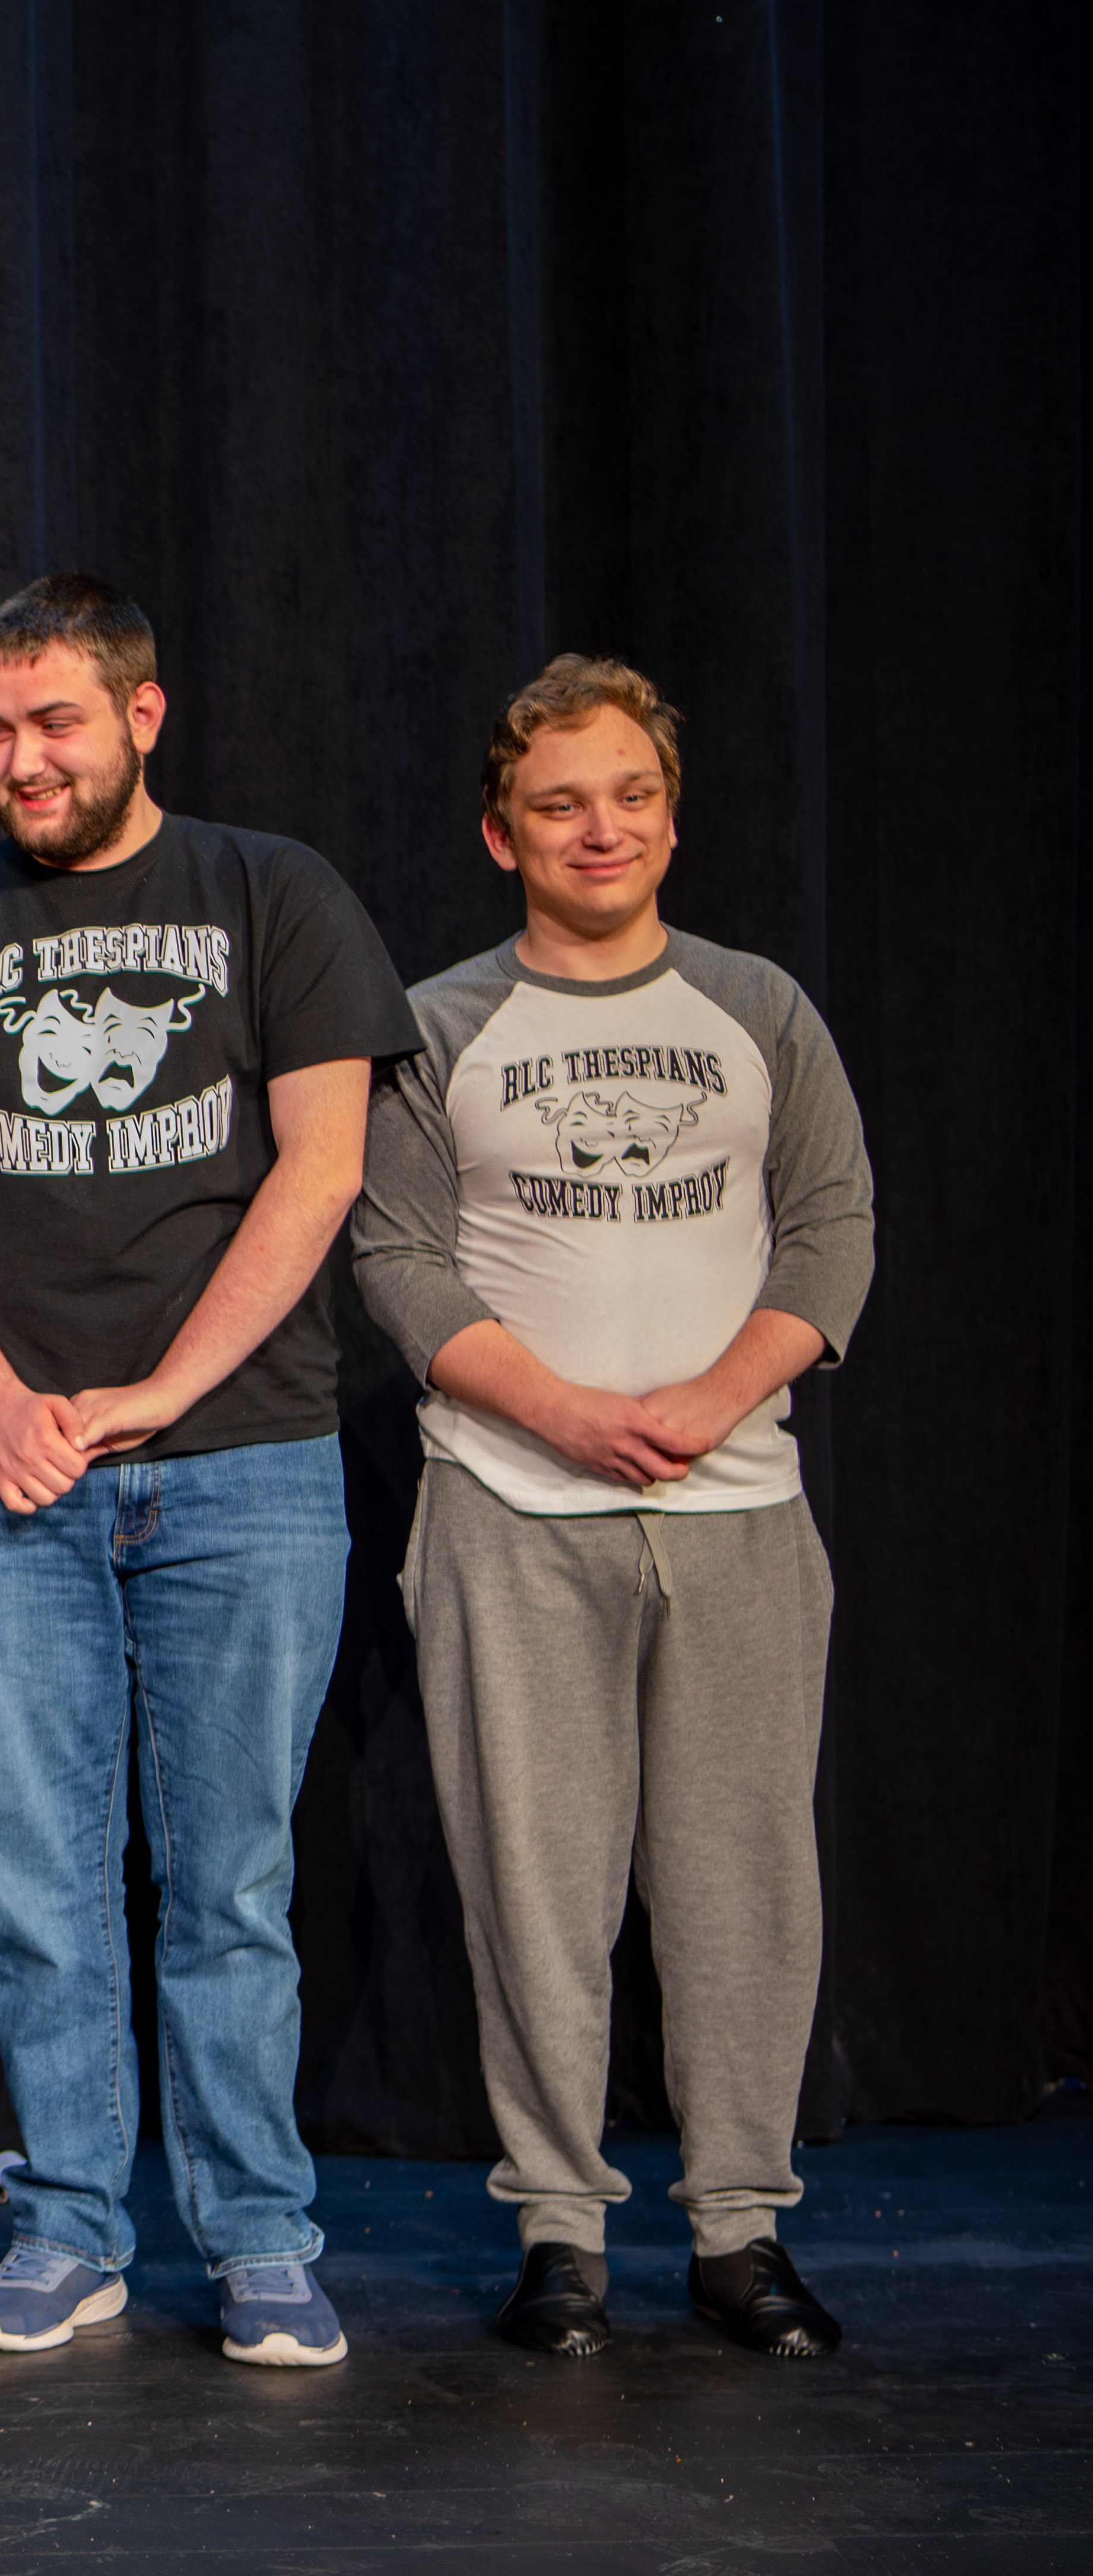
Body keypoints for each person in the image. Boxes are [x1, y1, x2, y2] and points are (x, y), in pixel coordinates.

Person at [0, 573, 418, 2370]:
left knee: (226, 1883)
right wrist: (1, 1403)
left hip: (244, 1458)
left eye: (52, 724)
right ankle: (68, 2226)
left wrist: (155, 1389)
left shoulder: (267, 892)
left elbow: (315, 1172)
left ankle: (258, 2241)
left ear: (141, 716)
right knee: (38, 1879)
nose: (19, 763)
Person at [350, 655, 873, 2362]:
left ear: (668, 815)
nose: (599, 827)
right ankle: (558, 2241)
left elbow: (825, 1236)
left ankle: (737, 2236)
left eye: (627, 795)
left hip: (735, 1514)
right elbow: (398, 1260)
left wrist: (713, 1399)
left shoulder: (757, 1008)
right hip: (508, 1506)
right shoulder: (432, 1025)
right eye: (559, 801)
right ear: (498, 832)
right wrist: (562, 1410)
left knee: (741, 1883)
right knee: (532, 1884)